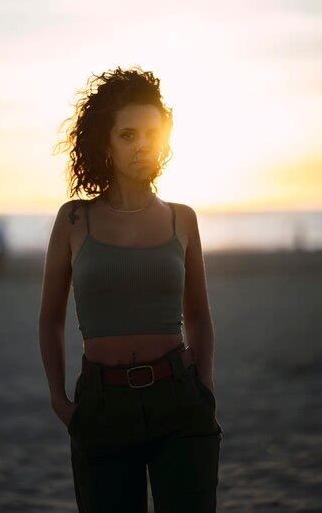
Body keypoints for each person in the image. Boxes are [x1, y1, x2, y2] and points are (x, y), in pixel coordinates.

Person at [39, 65, 223, 512]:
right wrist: (60, 401)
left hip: (178, 401)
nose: (142, 145)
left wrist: (204, 388)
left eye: (151, 134)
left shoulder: (184, 218)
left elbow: (198, 315)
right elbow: (51, 317)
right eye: (127, 135)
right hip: (102, 406)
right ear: (105, 142)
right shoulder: (74, 220)